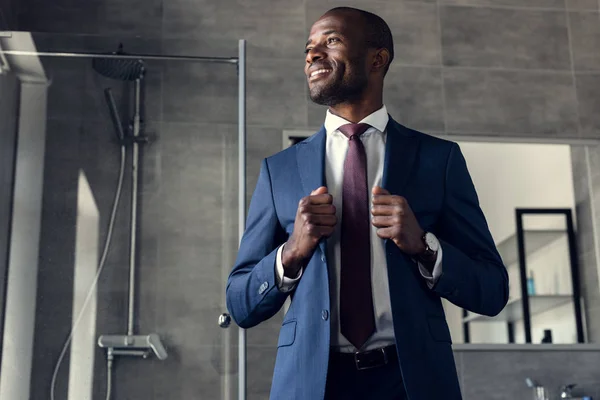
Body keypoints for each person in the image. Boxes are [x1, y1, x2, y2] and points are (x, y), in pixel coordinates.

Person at [226, 7, 508, 400]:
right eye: (309, 48)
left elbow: (492, 291)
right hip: (312, 384)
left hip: (411, 382)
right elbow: (240, 304)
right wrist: (289, 254)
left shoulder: (437, 160)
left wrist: (424, 246)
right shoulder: (280, 171)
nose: (312, 55)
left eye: (331, 41)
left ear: (378, 59)